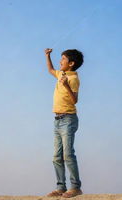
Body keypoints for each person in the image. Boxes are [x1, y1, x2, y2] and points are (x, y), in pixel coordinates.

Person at [44, 48, 84, 198]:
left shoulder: (73, 78)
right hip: (57, 120)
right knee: (57, 156)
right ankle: (61, 187)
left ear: (71, 63)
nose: (60, 61)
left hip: (68, 119)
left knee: (68, 154)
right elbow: (50, 69)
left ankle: (75, 187)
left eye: (63, 59)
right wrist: (48, 56)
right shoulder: (61, 73)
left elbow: (75, 100)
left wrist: (66, 84)